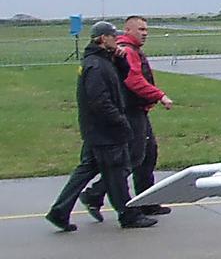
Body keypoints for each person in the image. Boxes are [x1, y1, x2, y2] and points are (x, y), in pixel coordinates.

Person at [46, 22, 155, 231]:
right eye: (114, 36)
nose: (117, 39)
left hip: (97, 130)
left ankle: (59, 211)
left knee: (86, 170)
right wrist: (120, 122)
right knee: (117, 171)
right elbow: (99, 101)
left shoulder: (104, 61)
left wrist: (121, 59)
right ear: (103, 39)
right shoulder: (96, 65)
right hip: (105, 130)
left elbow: (121, 77)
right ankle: (128, 215)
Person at [79, 15, 172, 216]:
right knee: (134, 157)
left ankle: (147, 200)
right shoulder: (127, 51)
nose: (145, 33)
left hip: (138, 110)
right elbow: (134, 81)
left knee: (147, 156)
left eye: (146, 30)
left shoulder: (129, 50)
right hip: (130, 111)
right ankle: (95, 194)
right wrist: (160, 95)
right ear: (127, 30)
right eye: (140, 29)